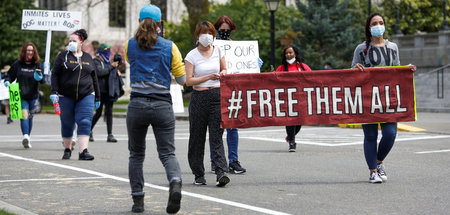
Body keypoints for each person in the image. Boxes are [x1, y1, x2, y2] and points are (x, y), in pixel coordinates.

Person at [125, 4, 184, 214]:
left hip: (137, 103)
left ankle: (138, 201)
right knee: (168, 153)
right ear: (160, 23)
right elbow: (182, 78)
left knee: (136, 155)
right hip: (162, 105)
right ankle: (175, 181)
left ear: (139, 21)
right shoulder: (170, 46)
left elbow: (130, 59)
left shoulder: (130, 44)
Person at [351, 13, 416, 183]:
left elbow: (396, 70)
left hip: (388, 99)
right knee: (371, 136)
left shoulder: (393, 47)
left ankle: (378, 162)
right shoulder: (361, 49)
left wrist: (406, 69)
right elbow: (351, 73)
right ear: (369, 27)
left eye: (381, 22)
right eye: (374, 23)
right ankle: (373, 171)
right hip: (367, 99)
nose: (378, 25)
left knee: (390, 134)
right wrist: (355, 69)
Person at [185, 21, 230, 187]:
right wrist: (207, 77)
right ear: (197, 36)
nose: (208, 36)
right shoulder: (191, 55)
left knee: (217, 135)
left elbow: (224, 69)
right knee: (197, 136)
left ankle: (220, 172)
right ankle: (198, 173)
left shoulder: (218, 50)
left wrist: (222, 73)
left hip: (216, 96)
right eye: (204, 33)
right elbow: (188, 81)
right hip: (199, 97)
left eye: (210, 32)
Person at [50, 29, 100, 160]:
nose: (71, 43)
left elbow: (94, 78)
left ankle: (83, 151)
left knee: (85, 121)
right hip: (65, 95)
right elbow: (54, 74)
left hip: (86, 94)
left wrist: (98, 96)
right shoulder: (63, 56)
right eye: (70, 41)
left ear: (81, 42)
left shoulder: (88, 58)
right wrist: (54, 91)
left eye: (74, 41)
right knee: (67, 122)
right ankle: (67, 149)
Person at [208, 15, 246, 174]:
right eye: (221, 30)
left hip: (231, 91)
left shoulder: (235, 48)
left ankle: (233, 160)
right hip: (216, 89)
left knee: (233, 127)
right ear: (217, 30)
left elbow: (242, 65)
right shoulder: (210, 46)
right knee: (216, 128)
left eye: (227, 30)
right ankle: (215, 160)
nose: (224, 33)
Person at [4, 42, 44, 148]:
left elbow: (43, 80)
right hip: (21, 95)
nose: (30, 52)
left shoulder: (37, 64)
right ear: (24, 52)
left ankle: (28, 138)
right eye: (28, 50)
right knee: (24, 116)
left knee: (30, 117)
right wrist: (7, 81)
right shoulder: (18, 64)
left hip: (33, 96)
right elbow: (9, 76)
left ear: (34, 52)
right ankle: (25, 136)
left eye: (31, 50)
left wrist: (40, 77)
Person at [275, 46, 312, 152]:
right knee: (290, 120)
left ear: (295, 53)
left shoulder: (303, 67)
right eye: (286, 53)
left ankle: (290, 137)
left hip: (301, 99)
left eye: (290, 53)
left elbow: (313, 77)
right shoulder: (281, 68)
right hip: (287, 99)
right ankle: (292, 142)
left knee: (299, 121)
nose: (288, 55)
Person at [90, 43, 119, 143]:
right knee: (98, 112)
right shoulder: (96, 61)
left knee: (109, 113)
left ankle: (110, 135)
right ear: (101, 52)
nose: (108, 53)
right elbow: (99, 73)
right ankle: (89, 130)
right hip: (100, 91)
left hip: (109, 91)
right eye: (106, 51)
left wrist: (116, 69)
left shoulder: (108, 62)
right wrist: (111, 67)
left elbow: (111, 72)